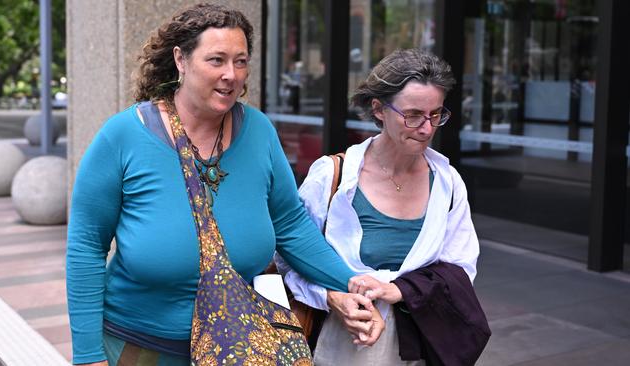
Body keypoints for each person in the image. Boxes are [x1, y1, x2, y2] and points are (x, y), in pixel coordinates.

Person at [66, 4, 382, 366]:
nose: (231, 75)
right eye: (216, 60)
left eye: (241, 61)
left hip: (238, 348)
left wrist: (352, 283)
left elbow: (291, 226)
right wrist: (88, 355)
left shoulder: (259, 131)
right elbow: (86, 247)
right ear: (181, 61)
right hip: (140, 347)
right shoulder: (123, 136)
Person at [282, 48, 489, 365]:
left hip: (417, 348)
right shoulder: (333, 177)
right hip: (338, 349)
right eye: (414, 114)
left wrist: (402, 290)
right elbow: (289, 261)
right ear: (378, 109)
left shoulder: (447, 184)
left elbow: (460, 272)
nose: (427, 128)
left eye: (436, 114)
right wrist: (332, 298)